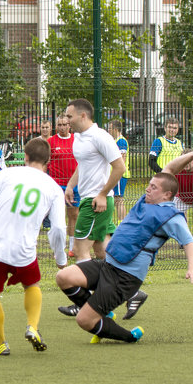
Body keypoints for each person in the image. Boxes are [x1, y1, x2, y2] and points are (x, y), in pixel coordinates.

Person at [55, 173, 193, 344]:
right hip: (107, 266)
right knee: (64, 277)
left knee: (84, 320)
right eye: (149, 184)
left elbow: (189, 243)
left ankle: (129, 337)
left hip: (124, 277)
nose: (148, 188)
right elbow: (169, 170)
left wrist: (192, 268)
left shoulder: (172, 217)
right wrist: (191, 156)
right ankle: (102, 314)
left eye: (154, 187)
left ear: (167, 195)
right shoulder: (146, 202)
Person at [0, 138, 68, 355]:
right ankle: (32, 327)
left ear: (25, 156)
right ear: (48, 161)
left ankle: (0, 343)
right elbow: (58, 229)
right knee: (32, 283)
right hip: (24, 248)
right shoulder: (54, 188)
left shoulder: (8, 173)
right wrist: (60, 257)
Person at [64, 99, 125, 262]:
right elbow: (82, 165)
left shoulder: (100, 137)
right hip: (89, 199)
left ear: (83, 115)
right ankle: (121, 284)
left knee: (79, 250)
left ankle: (86, 288)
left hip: (95, 202)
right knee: (102, 249)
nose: (66, 120)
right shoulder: (78, 137)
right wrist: (70, 185)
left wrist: (102, 194)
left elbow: (120, 167)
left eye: (69, 116)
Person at [48, 114, 80, 252]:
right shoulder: (51, 141)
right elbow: (46, 162)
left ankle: (72, 247)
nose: (62, 127)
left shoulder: (76, 140)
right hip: (56, 185)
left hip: (73, 185)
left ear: (69, 126)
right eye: (59, 125)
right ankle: (59, 247)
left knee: (74, 215)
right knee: (58, 217)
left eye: (64, 124)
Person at [107, 119, 131, 223]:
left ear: (115, 129)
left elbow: (122, 158)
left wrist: (118, 171)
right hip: (115, 174)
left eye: (110, 128)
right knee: (116, 198)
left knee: (119, 199)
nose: (108, 130)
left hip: (120, 175)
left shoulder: (121, 141)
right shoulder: (115, 141)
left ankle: (122, 222)